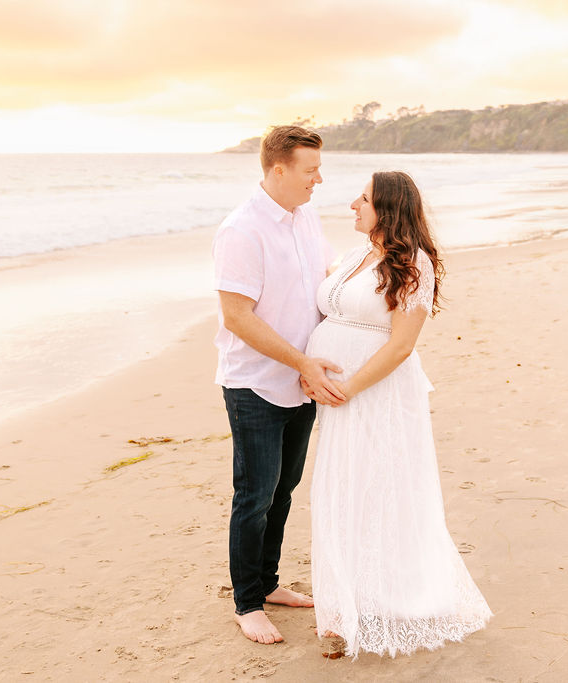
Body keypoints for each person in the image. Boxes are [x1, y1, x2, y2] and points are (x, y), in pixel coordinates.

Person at [304, 171, 492, 658]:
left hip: (376, 393)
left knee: (377, 488)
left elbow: (403, 345)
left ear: (386, 207)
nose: (352, 204)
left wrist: (346, 386)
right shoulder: (354, 255)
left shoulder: (414, 264)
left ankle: (376, 603)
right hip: (336, 395)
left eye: (362, 198)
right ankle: (344, 602)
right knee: (340, 487)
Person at [213, 125, 344, 645]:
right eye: (310, 171)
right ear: (278, 169)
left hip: (302, 382)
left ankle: (268, 585)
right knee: (254, 496)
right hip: (256, 386)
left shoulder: (305, 216)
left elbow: (328, 273)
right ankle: (247, 603)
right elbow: (237, 316)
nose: (318, 180)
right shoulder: (241, 230)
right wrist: (301, 361)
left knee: (284, 492)